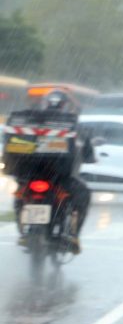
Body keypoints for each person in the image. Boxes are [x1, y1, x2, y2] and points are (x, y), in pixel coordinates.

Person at [5, 90, 92, 254]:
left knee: (20, 197)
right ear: (65, 105)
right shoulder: (72, 124)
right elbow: (87, 151)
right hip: (60, 178)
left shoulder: (29, 121)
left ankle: (22, 231)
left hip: (29, 175)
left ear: (45, 104)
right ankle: (74, 235)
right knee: (84, 195)